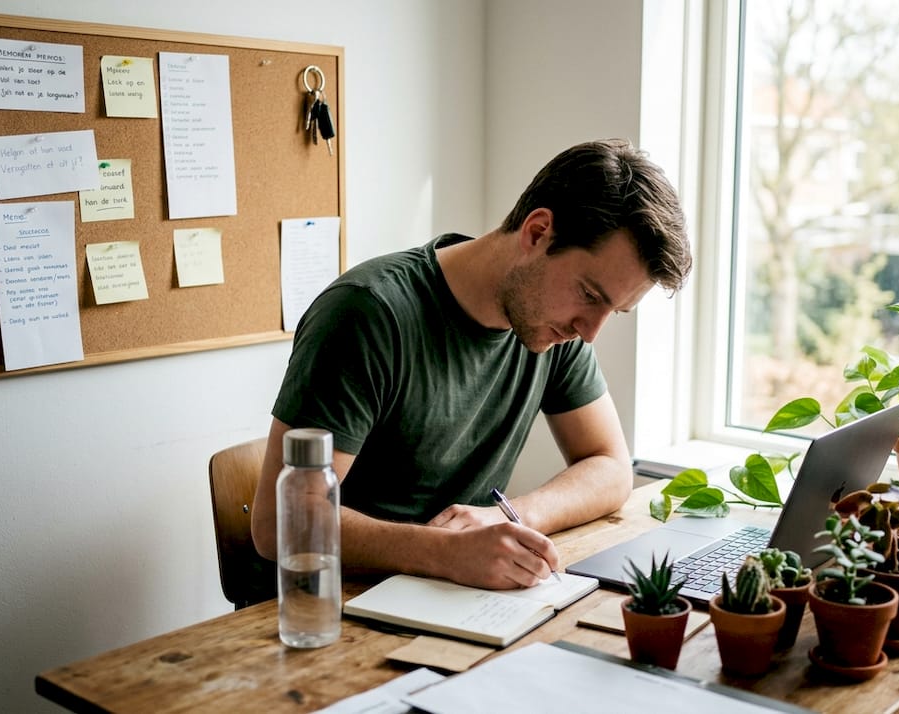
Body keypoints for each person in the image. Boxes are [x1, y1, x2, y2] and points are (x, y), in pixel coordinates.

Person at [251, 139, 691, 590]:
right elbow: (279, 523)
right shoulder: (367, 314)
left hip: (454, 598)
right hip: (326, 609)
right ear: (538, 233)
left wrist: (507, 517)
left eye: (613, 311)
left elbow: (611, 467)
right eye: (591, 295)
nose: (591, 330)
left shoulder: (558, 328)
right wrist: (446, 552)